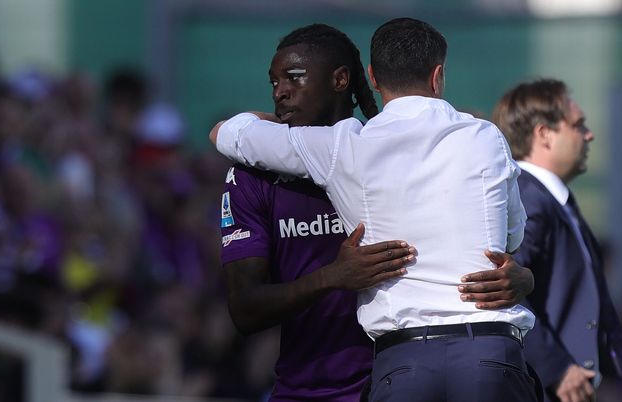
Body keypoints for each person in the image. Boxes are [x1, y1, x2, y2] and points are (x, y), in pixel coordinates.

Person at [212, 18, 537, 402]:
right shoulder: (254, 178)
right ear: (438, 77)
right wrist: (332, 276)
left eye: (295, 77)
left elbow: (226, 132)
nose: (280, 92)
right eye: (274, 83)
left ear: (351, 78)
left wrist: (522, 279)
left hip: (395, 370)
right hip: (320, 387)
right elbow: (244, 309)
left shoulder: (355, 148)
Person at [491, 78, 622, 402]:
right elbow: (505, 289)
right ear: (544, 134)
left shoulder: (553, 201)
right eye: (578, 125)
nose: (590, 135)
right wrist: (557, 369)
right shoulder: (530, 199)